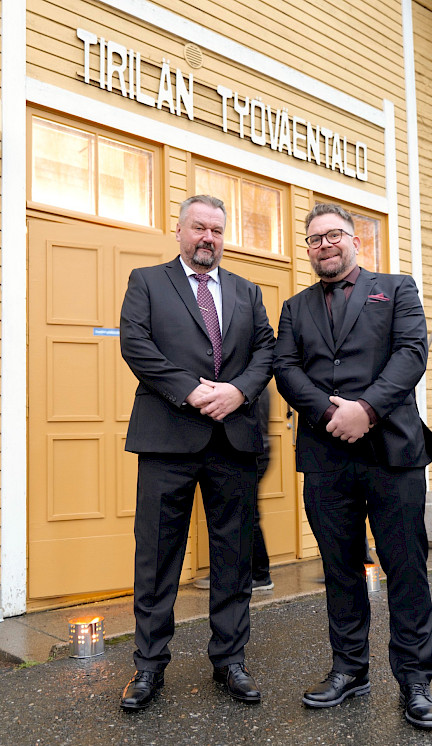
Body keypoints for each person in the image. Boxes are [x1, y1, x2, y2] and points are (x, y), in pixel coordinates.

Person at [273, 203, 432, 730]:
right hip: (326, 455)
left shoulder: (396, 289)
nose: (324, 245)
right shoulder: (294, 307)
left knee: (406, 568)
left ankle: (414, 680)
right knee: (340, 568)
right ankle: (350, 670)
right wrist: (331, 414)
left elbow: (411, 353)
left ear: (354, 240)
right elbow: (285, 368)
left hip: (392, 454)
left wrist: (366, 410)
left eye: (333, 235)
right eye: (314, 239)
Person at [119, 195, 275, 711]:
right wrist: (190, 390)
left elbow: (266, 351)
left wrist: (238, 391)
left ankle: (230, 660)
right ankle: (148, 666)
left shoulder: (247, 291)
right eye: (199, 228)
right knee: (157, 557)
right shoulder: (147, 281)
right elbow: (136, 345)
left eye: (217, 230)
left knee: (233, 557)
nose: (209, 238)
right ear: (179, 231)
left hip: (233, 440)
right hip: (167, 437)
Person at [194, 385, 274, 592]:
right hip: (258, 450)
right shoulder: (258, 386)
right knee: (248, 513)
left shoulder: (254, 386)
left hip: (253, 452)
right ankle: (255, 573)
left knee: (247, 514)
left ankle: (259, 574)